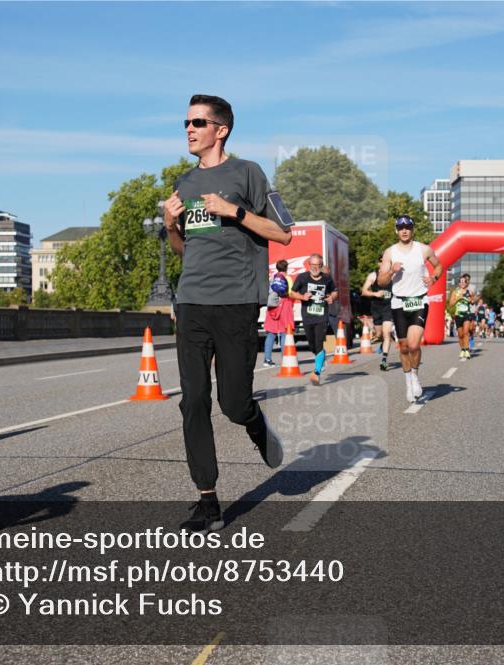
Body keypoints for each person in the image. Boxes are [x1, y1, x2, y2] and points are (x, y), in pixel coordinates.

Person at [162, 94, 293, 533]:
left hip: (236, 303)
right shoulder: (182, 182)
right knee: (192, 400)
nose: (189, 129)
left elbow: (284, 234)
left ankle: (256, 425)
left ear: (221, 129)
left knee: (233, 403)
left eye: (198, 122)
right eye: (186, 122)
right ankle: (207, 500)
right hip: (193, 301)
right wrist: (170, 225)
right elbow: (185, 250)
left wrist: (234, 211)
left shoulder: (248, 173)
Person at [377, 215, 443, 402]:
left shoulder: (424, 249)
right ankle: (408, 382)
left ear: (412, 229)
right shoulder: (390, 253)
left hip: (419, 300)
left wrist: (433, 279)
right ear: (396, 230)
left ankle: (414, 376)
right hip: (399, 302)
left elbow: (438, 266)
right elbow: (381, 281)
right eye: (400, 227)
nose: (404, 230)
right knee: (404, 347)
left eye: (407, 227)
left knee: (414, 345)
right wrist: (391, 271)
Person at [292, 253, 337, 386]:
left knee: (319, 343)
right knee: (312, 344)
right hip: (307, 316)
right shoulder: (302, 278)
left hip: (322, 315)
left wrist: (332, 298)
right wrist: (302, 297)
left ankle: (316, 372)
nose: (315, 267)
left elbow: (335, 291)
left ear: (321, 266)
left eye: (318, 265)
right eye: (313, 265)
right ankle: (320, 358)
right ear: (309, 265)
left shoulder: (327, 279)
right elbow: (292, 292)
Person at [361, 262, 395, 371]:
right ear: (379, 263)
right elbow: (364, 291)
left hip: (389, 307)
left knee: (387, 333)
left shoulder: (394, 276)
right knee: (379, 334)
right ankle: (382, 344)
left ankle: (384, 360)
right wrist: (375, 294)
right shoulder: (373, 276)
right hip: (376, 308)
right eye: (382, 262)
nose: (384, 265)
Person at [263, 259, 294, 367]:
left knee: (271, 333)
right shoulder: (287, 278)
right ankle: (285, 359)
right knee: (285, 332)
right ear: (286, 267)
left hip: (273, 307)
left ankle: (267, 359)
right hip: (285, 306)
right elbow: (291, 293)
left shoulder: (273, 278)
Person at [447, 274, 476, 360]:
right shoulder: (455, 292)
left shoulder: (469, 292)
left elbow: (473, 301)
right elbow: (451, 304)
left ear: (466, 283)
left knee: (466, 332)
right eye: (461, 282)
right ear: (459, 283)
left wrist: (471, 300)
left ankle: (467, 350)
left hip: (467, 314)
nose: (462, 283)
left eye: (464, 281)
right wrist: (458, 299)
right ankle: (462, 349)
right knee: (460, 334)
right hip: (458, 314)